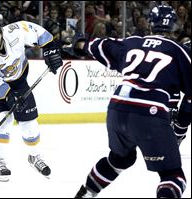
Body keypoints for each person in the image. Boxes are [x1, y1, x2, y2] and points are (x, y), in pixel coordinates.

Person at [62, 5, 191, 198]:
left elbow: (89, 46)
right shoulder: (180, 51)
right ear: (173, 26)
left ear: (150, 24)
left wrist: (78, 42)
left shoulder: (131, 42)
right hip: (150, 114)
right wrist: (180, 129)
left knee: (119, 160)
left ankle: (85, 194)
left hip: (117, 108)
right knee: (172, 175)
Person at [0, 17, 63, 182]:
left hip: (19, 83)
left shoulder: (16, 31)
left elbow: (38, 33)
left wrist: (50, 49)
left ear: (0, 31)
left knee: (30, 125)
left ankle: (34, 157)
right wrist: (8, 95)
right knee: (3, 120)